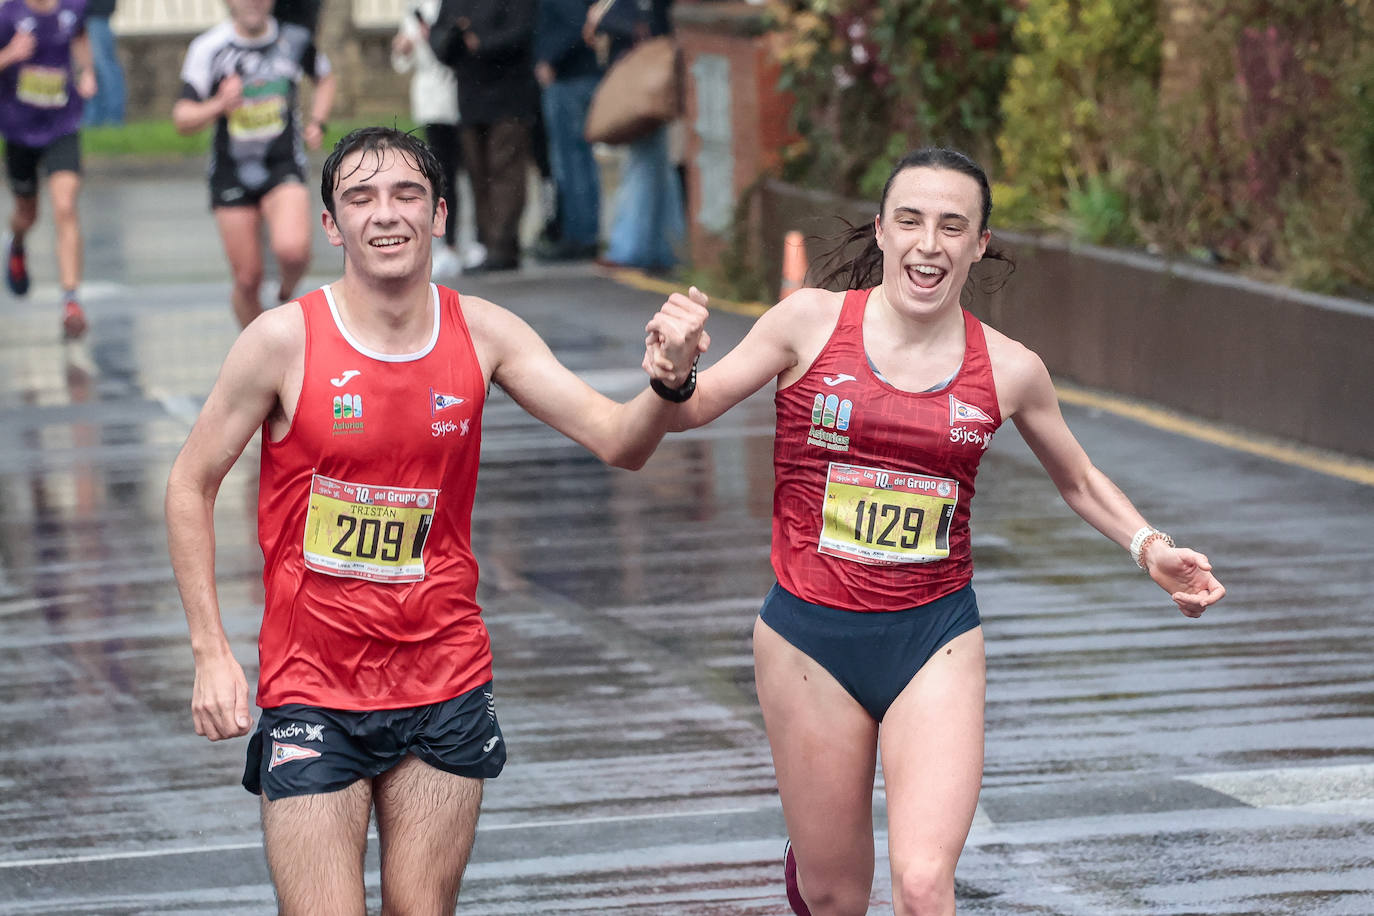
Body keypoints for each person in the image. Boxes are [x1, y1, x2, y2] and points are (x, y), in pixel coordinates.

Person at [647, 147, 1227, 916]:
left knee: (923, 885)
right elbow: (689, 408)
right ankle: (813, 855)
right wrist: (673, 367)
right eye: (912, 221)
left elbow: (1079, 478)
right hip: (809, 640)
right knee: (834, 894)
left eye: (954, 226)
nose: (930, 243)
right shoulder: (807, 322)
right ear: (882, 231)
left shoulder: (1011, 368)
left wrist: (1151, 549)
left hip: (936, 640)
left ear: (979, 244)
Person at [163, 126, 709, 915]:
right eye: (361, 197)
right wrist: (210, 651)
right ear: (331, 225)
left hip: (444, 679)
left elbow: (619, 440)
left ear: (440, 214)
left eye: (406, 194)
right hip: (314, 688)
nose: (386, 214)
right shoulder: (282, 341)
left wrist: (667, 382)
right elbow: (189, 482)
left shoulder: (483, 333)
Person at [173, 0, 336, 329]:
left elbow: (325, 78)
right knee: (247, 279)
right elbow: (182, 118)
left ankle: (285, 292)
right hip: (231, 171)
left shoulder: (294, 40)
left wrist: (317, 121)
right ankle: (258, 352)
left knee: (293, 252)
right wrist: (219, 104)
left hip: (282, 165)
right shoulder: (209, 48)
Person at [0, 0, 96, 339]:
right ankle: (17, 241)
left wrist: (87, 71)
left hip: (62, 126)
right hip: (19, 131)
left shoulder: (73, 8)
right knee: (27, 214)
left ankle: (71, 301)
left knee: (65, 205)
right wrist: (11, 54)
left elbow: (81, 36)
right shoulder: (6, 14)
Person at [428, 0, 540, 273]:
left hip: (509, 97)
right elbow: (439, 38)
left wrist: (480, 42)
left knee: (505, 171)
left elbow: (522, 32)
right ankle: (488, 242)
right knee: (479, 175)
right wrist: (456, 39)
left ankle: (501, 246)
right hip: (470, 98)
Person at [587, 0, 682, 272]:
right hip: (650, 80)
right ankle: (668, 248)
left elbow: (632, 21)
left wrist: (601, 19)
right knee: (658, 168)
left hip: (644, 82)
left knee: (641, 165)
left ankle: (628, 248)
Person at [391, 0, 467, 281]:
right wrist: (403, 49)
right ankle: (449, 243)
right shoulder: (415, 7)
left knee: (472, 170)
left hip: (460, 92)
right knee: (441, 173)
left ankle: (477, 240)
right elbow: (403, 57)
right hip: (431, 100)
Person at [533, 0, 601, 263]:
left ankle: (580, 237)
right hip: (576, 76)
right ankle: (582, 234)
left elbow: (576, 25)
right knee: (577, 160)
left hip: (569, 79)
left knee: (572, 161)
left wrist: (548, 59)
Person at [79, 0, 122, 126]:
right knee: (96, 70)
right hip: (93, 15)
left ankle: (111, 119)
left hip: (95, 14)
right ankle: (95, 119)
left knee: (103, 68)